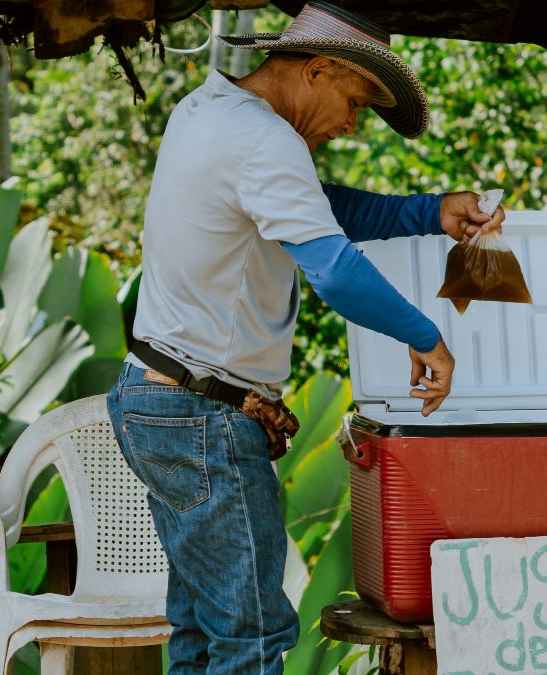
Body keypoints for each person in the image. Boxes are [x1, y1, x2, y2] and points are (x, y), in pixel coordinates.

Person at [106, 3, 505, 672]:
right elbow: (335, 269)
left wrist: (431, 210)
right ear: (318, 69)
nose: (351, 124)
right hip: (202, 414)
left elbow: (323, 207)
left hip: (157, 399)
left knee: (202, 631)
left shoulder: (207, 111)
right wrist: (425, 334)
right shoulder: (265, 138)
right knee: (253, 635)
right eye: (355, 102)